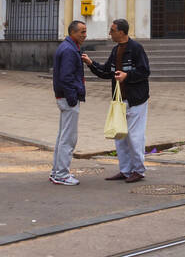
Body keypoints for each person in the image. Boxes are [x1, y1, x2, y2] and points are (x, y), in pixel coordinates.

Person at [85, 18, 151, 183]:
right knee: (120, 136)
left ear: (121, 32)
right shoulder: (116, 50)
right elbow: (107, 72)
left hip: (136, 100)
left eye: (112, 30)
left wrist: (127, 76)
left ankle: (138, 170)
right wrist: (91, 63)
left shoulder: (136, 49)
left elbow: (144, 72)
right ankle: (125, 170)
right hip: (120, 101)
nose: (110, 33)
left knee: (135, 137)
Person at [49, 20, 88, 186]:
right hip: (68, 98)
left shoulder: (69, 47)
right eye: (82, 32)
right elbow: (66, 77)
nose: (85, 35)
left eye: (85, 32)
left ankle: (57, 172)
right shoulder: (69, 50)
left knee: (63, 136)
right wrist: (73, 98)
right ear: (73, 33)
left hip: (64, 97)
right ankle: (62, 174)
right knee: (68, 138)